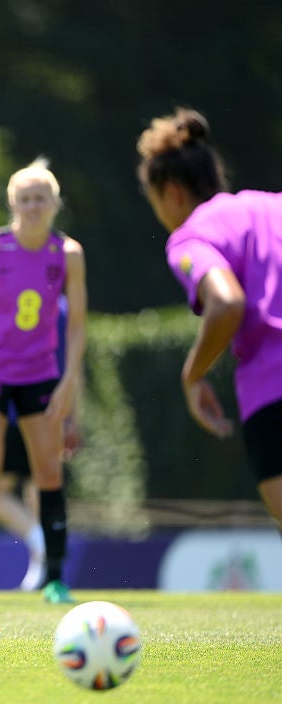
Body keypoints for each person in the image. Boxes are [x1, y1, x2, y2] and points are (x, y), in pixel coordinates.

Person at [0, 158, 87, 604]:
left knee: (49, 473)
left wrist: (69, 382)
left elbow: (79, 325)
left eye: (40, 198)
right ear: (13, 203)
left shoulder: (68, 254)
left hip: (40, 374)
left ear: (54, 203)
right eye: (25, 199)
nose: (33, 206)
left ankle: (57, 579)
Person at [136, 107, 282, 531]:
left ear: (173, 194)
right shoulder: (271, 206)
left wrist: (193, 375)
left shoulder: (191, 235)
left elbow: (227, 302)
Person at [0, 295, 83, 593]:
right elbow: (73, 370)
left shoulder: (12, 298)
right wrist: (71, 418)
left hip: (15, 412)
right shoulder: (65, 307)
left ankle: (38, 543)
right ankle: (41, 562)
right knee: (38, 492)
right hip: (52, 413)